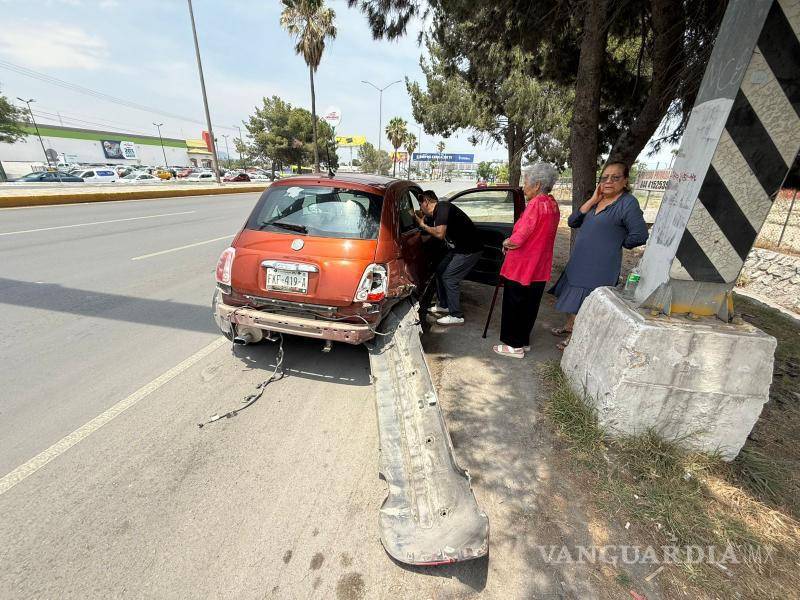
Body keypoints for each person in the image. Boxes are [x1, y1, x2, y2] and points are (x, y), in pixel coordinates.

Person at [550, 162, 649, 350]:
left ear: (625, 180)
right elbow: (573, 221)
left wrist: (613, 243)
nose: (609, 181)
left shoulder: (627, 203)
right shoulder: (598, 200)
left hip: (600, 265)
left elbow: (640, 235)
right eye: (605, 177)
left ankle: (575, 338)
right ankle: (570, 326)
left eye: (615, 177)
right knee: (572, 293)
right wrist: (593, 199)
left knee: (584, 302)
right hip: (580, 259)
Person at [492, 163, 561, 358]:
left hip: (523, 265)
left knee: (515, 304)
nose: (523, 187)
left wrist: (506, 242)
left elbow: (518, 239)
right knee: (530, 305)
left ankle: (513, 345)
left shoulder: (536, 205)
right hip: (539, 265)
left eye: (526, 182)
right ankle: (523, 340)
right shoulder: (552, 204)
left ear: (537, 184)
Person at [415, 190, 483, 325]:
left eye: (420, 205)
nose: (420, 209)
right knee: (440, 271)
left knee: (450, 278)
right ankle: (445, 305)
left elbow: (439, 234)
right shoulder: (435, 214)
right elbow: (430, 235)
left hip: (469, 249)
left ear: (426, 202)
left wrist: (422, 225)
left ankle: (456, 315)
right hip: (458, 248)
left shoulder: (443, 207)